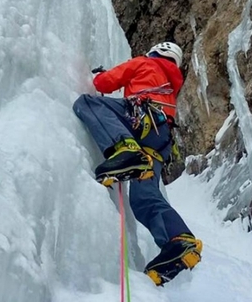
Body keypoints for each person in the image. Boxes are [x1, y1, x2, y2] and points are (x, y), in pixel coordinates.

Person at [73, 41, 203, 286]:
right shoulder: (171, 84)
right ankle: (179, 240)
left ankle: (125, 149)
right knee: (144, 199)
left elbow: (104, 84)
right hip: (159, 142)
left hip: (140, 120)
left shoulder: (144, 62)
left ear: (156, 52)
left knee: (87, 103)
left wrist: (97, 75)